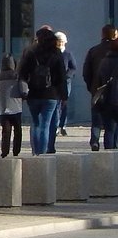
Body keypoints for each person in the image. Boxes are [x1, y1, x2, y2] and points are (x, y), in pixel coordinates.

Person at [18, 26, 67, 155]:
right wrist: (64, 95)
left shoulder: (30, 52)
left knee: (35, 123)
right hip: (51, 94)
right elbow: (62, 76)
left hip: (33, 93)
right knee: (45, 124)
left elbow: (21, 73)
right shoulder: (56, 53)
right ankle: (43, 153)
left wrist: (25, 88)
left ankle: (35, 152)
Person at [81, 24, 116, 151]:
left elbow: (86, 72)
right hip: (114, 93)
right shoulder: (114, 52)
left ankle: (95, 142)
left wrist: (92, 87)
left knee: (96, 121)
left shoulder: (94, 50)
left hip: (97, 91)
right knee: (111, 125)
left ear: (102, 34)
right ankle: (111, 147)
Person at [0, 54, 24, 157]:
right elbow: (23, 90)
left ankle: (4, 151)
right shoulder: (17, 76)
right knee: (17, 130)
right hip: (16, 107)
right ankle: (16, 151)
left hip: (2, 108)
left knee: (6, 131)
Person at [92, 35, 118, 150]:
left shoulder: (105, 61)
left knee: (109, 130)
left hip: (107, 99)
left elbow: (98, 79)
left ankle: (108, 157)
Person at [53, 31, 77, 137]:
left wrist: (67, 76)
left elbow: (73, 67)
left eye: (62, 42)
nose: (60, 43)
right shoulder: (53, 53)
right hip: (55, 82)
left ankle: (63, 125)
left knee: (64, 104)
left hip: (66, 82)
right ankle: (56, 125)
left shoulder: (68, 54)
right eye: (59, 41)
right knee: (56, 104)